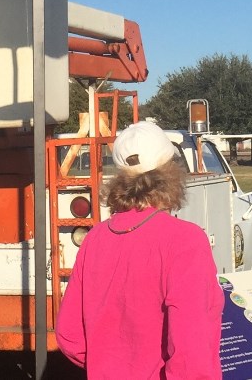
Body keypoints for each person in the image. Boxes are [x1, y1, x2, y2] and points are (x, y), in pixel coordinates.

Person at [56, 121, 224, 379]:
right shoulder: (185, 240)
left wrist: (108, 365)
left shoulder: (95, 238)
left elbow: (70, 336)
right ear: (171, 173)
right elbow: (191, 351)